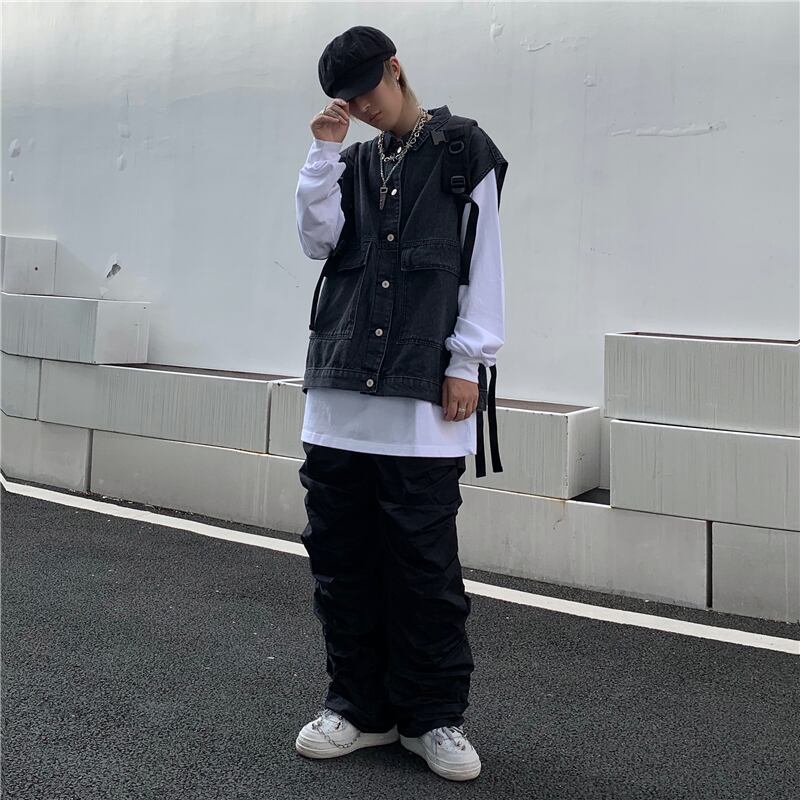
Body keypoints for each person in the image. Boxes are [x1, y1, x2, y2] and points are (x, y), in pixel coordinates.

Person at [293, 26, 508, 782]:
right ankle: (359, 709)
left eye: (367, 93)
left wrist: (468, 361)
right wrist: (322, 153)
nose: (361, 108)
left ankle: (432, 717)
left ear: (395, 68)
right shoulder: (349, 161)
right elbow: (318, 242)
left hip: (422, 396)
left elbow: (484, 259)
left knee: (423, 571)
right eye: (347, 101)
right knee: (341, 563)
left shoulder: (462, 149)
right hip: (338, 392)